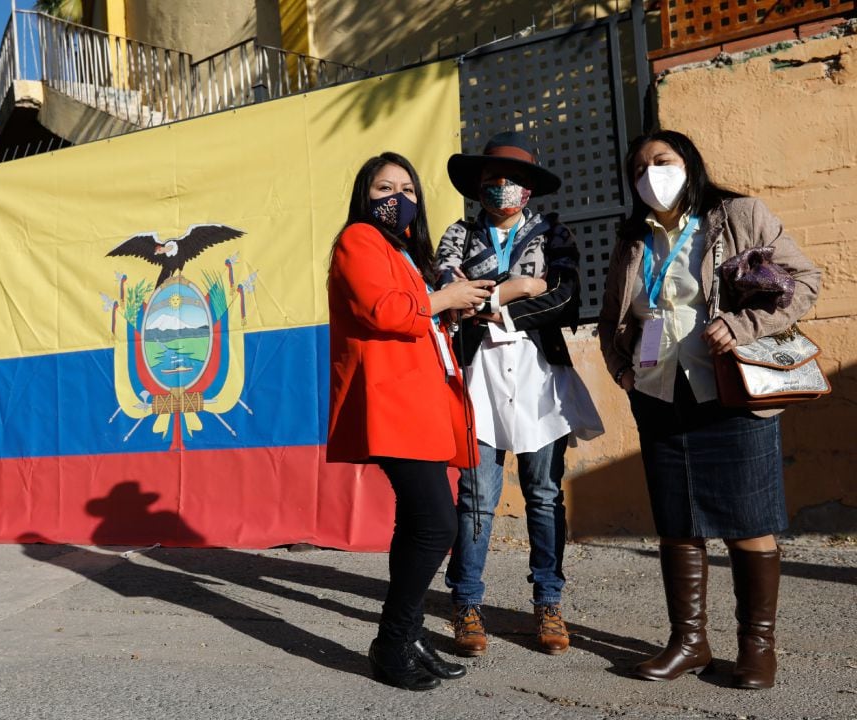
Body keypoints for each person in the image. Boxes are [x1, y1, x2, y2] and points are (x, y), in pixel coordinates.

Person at [598, 130, 820, 689]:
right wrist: (622, 370)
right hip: (657, 395)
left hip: (730, 394)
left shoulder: (737, 215)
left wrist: (742, 324)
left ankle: (757, 648)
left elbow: (803, 281)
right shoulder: (632, 238)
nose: (652, 173)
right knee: (677, 526)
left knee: (750, 523)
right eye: (640, 167)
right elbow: (611, 318)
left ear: (689, 163)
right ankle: (689, 643)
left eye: (663, 160)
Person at [326, 152, 495, 691]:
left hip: (417, 398)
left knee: (418, 522)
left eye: (406, 188)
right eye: (383, 188)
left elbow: (413, 310)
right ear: (364, 196)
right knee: (436, 524)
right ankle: (391, 641)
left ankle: (411, 634)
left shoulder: (402, 250)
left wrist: (450, 307)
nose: (396, 196)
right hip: (392, 400)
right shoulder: (358, 239)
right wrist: (443, 297)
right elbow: (384, 310)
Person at [436, 131, 604, 657]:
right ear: (478, 184)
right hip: (478, 374)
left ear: (529, 188)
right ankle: (466, 602)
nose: (502, 186)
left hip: (538, 376)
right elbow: (445, 291)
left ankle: (548, 602)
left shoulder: (554, 233)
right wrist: (514, 289)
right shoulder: (458, 235)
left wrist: (492, 304)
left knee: (545, 494)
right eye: (492, 178)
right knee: (476, 496)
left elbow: (566, 297)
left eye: (512, 179)